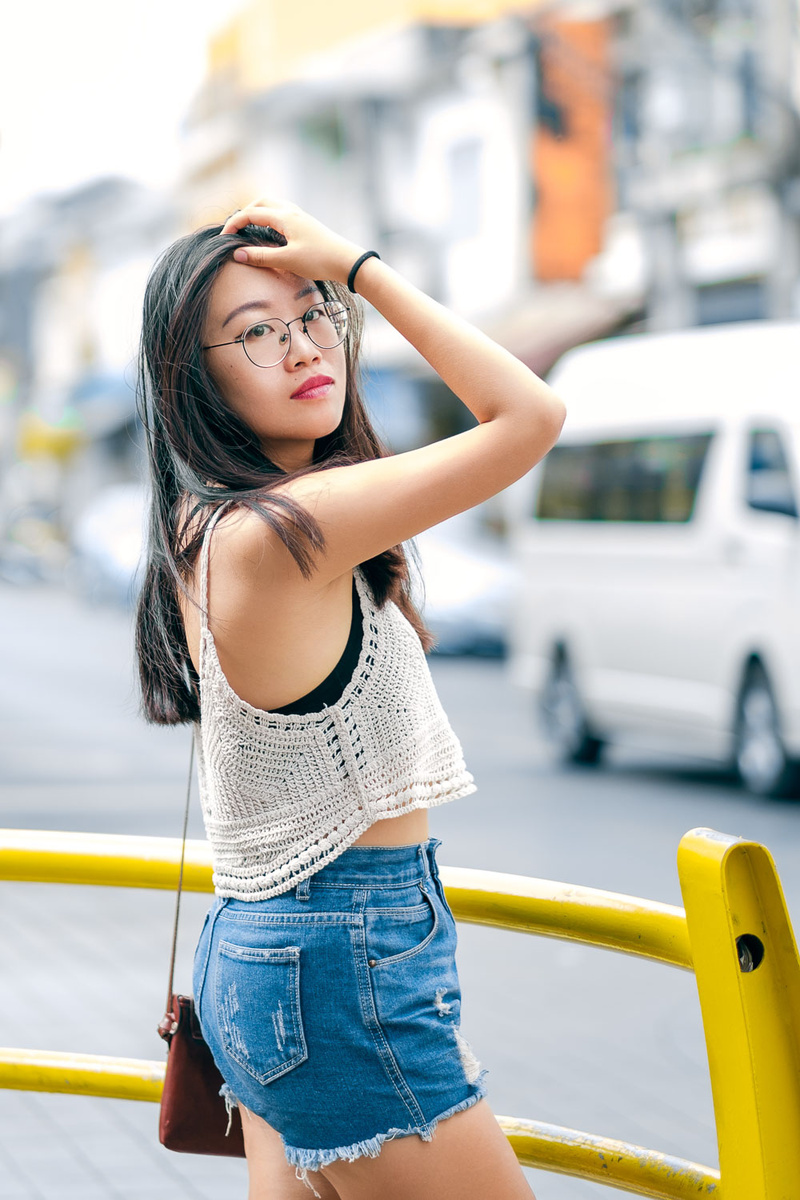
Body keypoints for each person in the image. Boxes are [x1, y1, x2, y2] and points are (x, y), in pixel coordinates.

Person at [135, 196, 565, 1200]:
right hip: (338, 962)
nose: (302, 348)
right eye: (255, 333)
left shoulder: (215, 525)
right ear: (192, 380)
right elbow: (530, 416)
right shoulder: (280, 530)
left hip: (280, 956)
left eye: (315, 313)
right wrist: (360, 266)